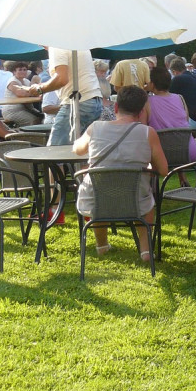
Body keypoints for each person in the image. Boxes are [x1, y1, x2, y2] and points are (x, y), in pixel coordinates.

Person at [73, 84, 169, 262]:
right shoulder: (148, 133)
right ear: (141, 112)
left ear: (116, 107)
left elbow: (77, 149)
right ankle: (146, 251)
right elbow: (163, 170)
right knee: (147, 200)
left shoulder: (95, 128)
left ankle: (102, 246)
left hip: (95, 198)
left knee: (99, 197)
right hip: (136, 200)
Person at [28, 47, 104, 147]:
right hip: (94, 100)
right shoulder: (76, 44)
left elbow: (61, 79)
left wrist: (39, 89)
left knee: (55, 152)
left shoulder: (57, 46)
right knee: (81, 152)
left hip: (80, 102)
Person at [146, 66, 196, 161]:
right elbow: (185, 121)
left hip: (163, 154)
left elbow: (143, 128)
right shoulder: (180, 98)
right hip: (188, 151)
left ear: (153, 84)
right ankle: (182, 175)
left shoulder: (147, 102)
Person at [0, 61, 43, 128]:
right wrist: (35, 91)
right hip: (12, 110)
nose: (23, 71)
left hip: (27, 109)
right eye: (20, 70)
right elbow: (21, 93)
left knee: (42, 117)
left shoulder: (26, 81)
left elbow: (34, 92)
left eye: (24, 70)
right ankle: (27, 136)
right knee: (33, 120)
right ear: (14, 72)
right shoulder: (12, 81)